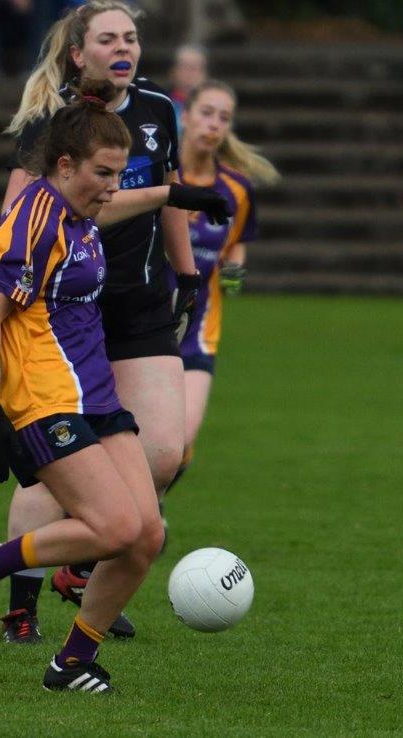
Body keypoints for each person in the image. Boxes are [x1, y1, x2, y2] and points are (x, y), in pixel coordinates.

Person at [0, 0, 231, 643]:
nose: (124, 48)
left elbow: (171, 198)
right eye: (108, 39)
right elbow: (20, 217)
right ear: (80, 54)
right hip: (66, 314)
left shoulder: (159, 110)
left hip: (138, 302)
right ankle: (23, 603)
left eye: (131, 37)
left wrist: (187, 275)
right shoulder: (55, 122)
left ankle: (79, 567)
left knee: (163, 451)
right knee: (59, 472)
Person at [0, 78, 164, 694]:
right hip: (44, 398)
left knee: (145, 536)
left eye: (121, 173)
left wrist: (176, 192)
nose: (113, 186)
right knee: (113, 528)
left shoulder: (81, 210)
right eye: (105, 173)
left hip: (96, 397)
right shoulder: (34, 219)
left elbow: (114, 205)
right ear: (65, 165)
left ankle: (70, 664)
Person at [163, 79, 278, 496]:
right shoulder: (158, 177)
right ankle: (128, 519)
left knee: (178, 447)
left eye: (224, 118)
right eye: (207, 113)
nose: (214, 124)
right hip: (142, 326)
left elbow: (237, 246)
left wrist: (233, 275)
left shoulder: (236, 190)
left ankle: (145, 513)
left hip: (198, 332)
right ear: (186, 115)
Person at [168, 43, 208, 131]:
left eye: (195, 67)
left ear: (204, 74)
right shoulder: (161, 105)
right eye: (185, 66)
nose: (190, 73)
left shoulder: (212, 109)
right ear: (173, 72)